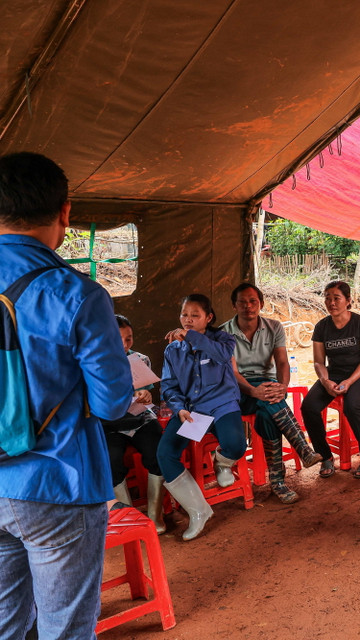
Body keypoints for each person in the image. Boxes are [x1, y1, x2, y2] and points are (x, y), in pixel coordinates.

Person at [0, 152, 132, 639]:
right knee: (66, 630)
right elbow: (112, 403)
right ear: (65, 212)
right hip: (56, 480)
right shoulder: (74, 293)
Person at [222, 283, 322, 503]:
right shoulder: (223, 333)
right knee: (269, 405)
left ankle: (279, 482)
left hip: (269, 386)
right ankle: (301, 452)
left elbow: (282, 361)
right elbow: (232, 372)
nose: (248, 306)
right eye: (242, 302)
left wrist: (283, 386)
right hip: (239, 390)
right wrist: (252, 391)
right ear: (233, 305)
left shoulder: (274, 327)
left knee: (268, 412)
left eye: (253, 301)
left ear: (261, 304)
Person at [158, 293, 245, 541]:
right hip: (192, 409)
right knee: (165, 453)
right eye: (184, 315)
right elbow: (169, 386)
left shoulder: (224, 340)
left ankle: (223, 463)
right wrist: (179, 408)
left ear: (209, 317)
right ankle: (198, 511)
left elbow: (220, 355)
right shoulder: (172, 350)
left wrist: (192, 337)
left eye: (195, 315)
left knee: (236, 444)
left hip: (222, 404)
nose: (188, 320)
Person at [300, 281, 360, 479]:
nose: (331, 302)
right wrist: (325, 381)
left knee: (352, 406)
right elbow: (318, 362)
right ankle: (325, 456)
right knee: (308, 406)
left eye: (336, 298)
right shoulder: (322, 327)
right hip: (333, 374)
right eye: (327, 298)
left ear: (348, 301)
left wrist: (350, 381)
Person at [102, 315, 166, 532]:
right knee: (110, 460)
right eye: (118, 338)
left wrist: (145, 396)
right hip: (109, 424)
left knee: (158, 451)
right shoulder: (96, 364)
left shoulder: (140, 359)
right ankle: (129, 518)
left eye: (129, 339)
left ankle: (155, 516)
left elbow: (147, 393)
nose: (124, 344)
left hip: (139, 419)